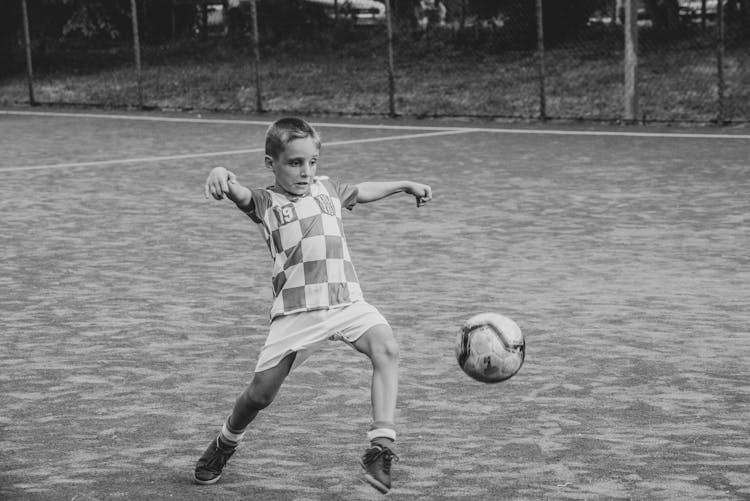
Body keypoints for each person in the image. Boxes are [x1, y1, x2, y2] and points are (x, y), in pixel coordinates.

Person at [195, 117, 432, 494]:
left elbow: (362, 191)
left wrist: (404, 185)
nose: (305, 171)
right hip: (297, 312)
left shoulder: (328, 189)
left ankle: (380, 447)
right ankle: (225, 442)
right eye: (294, 163)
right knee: (260, 395)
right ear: (271, 163)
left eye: (312, 162)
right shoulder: (264, 202)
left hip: (346, 301)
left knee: (387, 348)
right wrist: (221, 172)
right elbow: (236, 191)